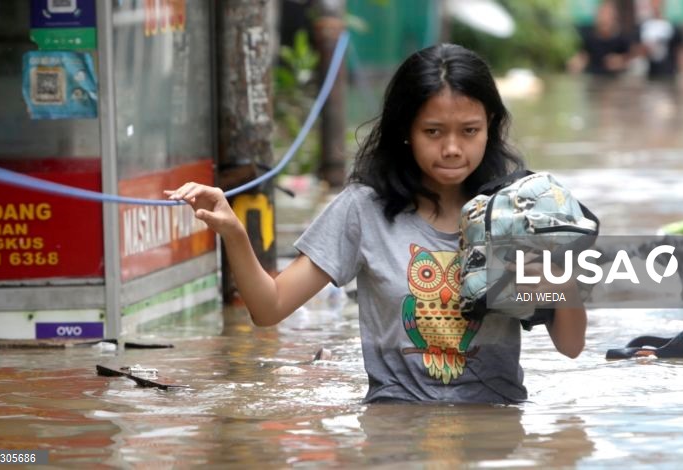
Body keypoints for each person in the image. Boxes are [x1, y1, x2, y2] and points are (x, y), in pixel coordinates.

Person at [166, 44, 587, 404]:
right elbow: (269, 307)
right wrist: (234, 233)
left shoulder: (519, 213)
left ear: (490, 127)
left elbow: (570, 347)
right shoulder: (362, 210)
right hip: (394, 427)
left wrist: (560, 274)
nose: (453, 148)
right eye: (434, 131)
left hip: (497, 428)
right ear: (405, 131)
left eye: (470, 130)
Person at [568, 0, 634, 76]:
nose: (604, 18)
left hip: (615, 81)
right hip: (594, 79)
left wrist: (621, 62)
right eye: (602, 14)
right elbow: (583, 56)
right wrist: (577, 63)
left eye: (608, 15)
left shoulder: (622, 39)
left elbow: (630, 60)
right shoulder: (590, 38)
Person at [638, 0, 683, 80]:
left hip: (670, 75)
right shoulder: (644, 27)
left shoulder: (673, 27)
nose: (656, 5)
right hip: (651, 76)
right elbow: (636, 53)